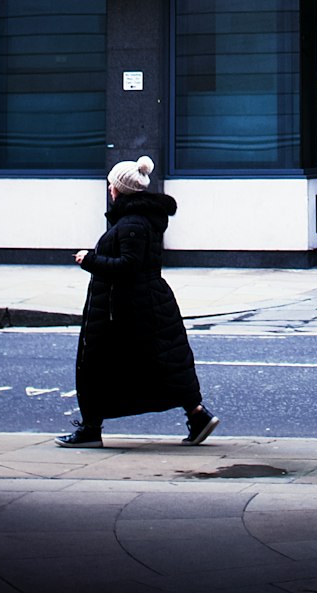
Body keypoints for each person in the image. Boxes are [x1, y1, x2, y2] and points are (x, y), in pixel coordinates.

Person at [56, 155, 219, 449]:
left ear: (121, 188)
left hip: (125, 308)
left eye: (111, 184)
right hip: (142, 303)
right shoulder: (139, 220)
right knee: (162, 363)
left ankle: (91, 429)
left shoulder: (132, 224)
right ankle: (197, 415)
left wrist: (89, 259)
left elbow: (129, 265)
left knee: (97, 365)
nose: (109, 189)